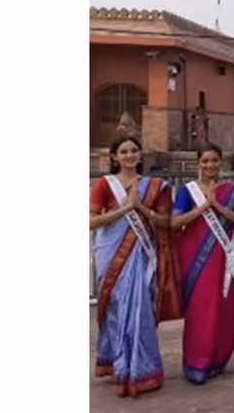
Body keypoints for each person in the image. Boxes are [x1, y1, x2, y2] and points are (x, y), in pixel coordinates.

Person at [89, 135, 181, 398]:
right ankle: (120, 364)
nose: (129, 155)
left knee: (140, 308)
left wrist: (142, 208)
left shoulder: (155, 186)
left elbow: (166, 221)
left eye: (134, 150)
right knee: (117, 309)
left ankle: (142, 369)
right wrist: (125, 210)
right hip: (111, 253)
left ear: (140, 155)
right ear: (115, 157)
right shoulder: (105, 185)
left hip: (142, 254)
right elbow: (91, 221)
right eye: (124, 151)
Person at [170, 143, 234, 385]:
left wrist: (219, 207)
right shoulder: (186, 191)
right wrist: (204, 207)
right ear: (198, 163)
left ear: (221, 162)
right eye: (205, 161)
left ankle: (217, 359)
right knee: (199, 312)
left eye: (214, 160)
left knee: (222, 311)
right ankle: (196, 361)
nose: (210, 165)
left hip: (224, 260)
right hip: (196, 260)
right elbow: (175, 222)